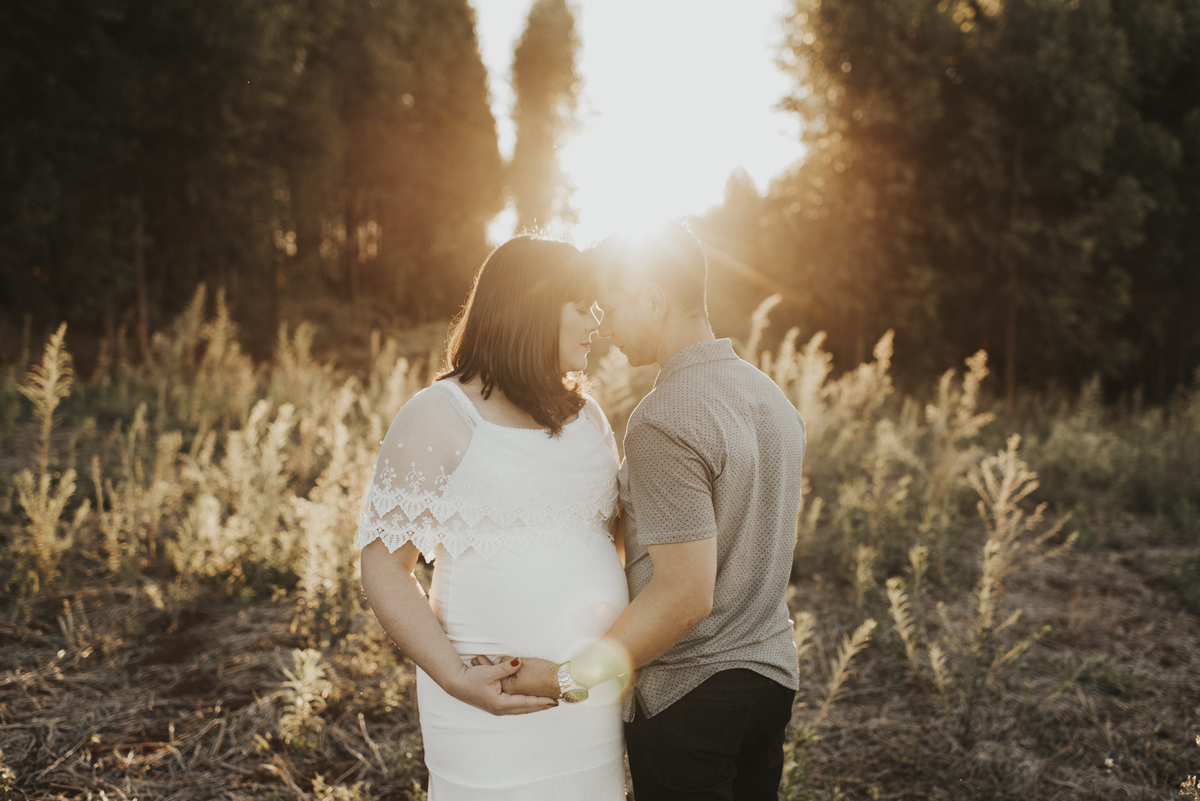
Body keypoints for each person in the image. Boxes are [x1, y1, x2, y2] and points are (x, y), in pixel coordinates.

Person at [501, 222, 807, 801]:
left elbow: (686, 596)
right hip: (770, 681)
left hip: (689, 697)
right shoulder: (772, 400)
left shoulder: (663, 419)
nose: (605, 327)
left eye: (611, 307)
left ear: (653, 299)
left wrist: (567, 678)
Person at [356, 235, 630, 800]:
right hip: (485, 704)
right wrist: (456, 678)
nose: (596, 324)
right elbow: (384, 566)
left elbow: (611, 542)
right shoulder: (437, 415)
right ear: (532, 309)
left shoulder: (589, 416)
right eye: (581, 307)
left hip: (587, 704)